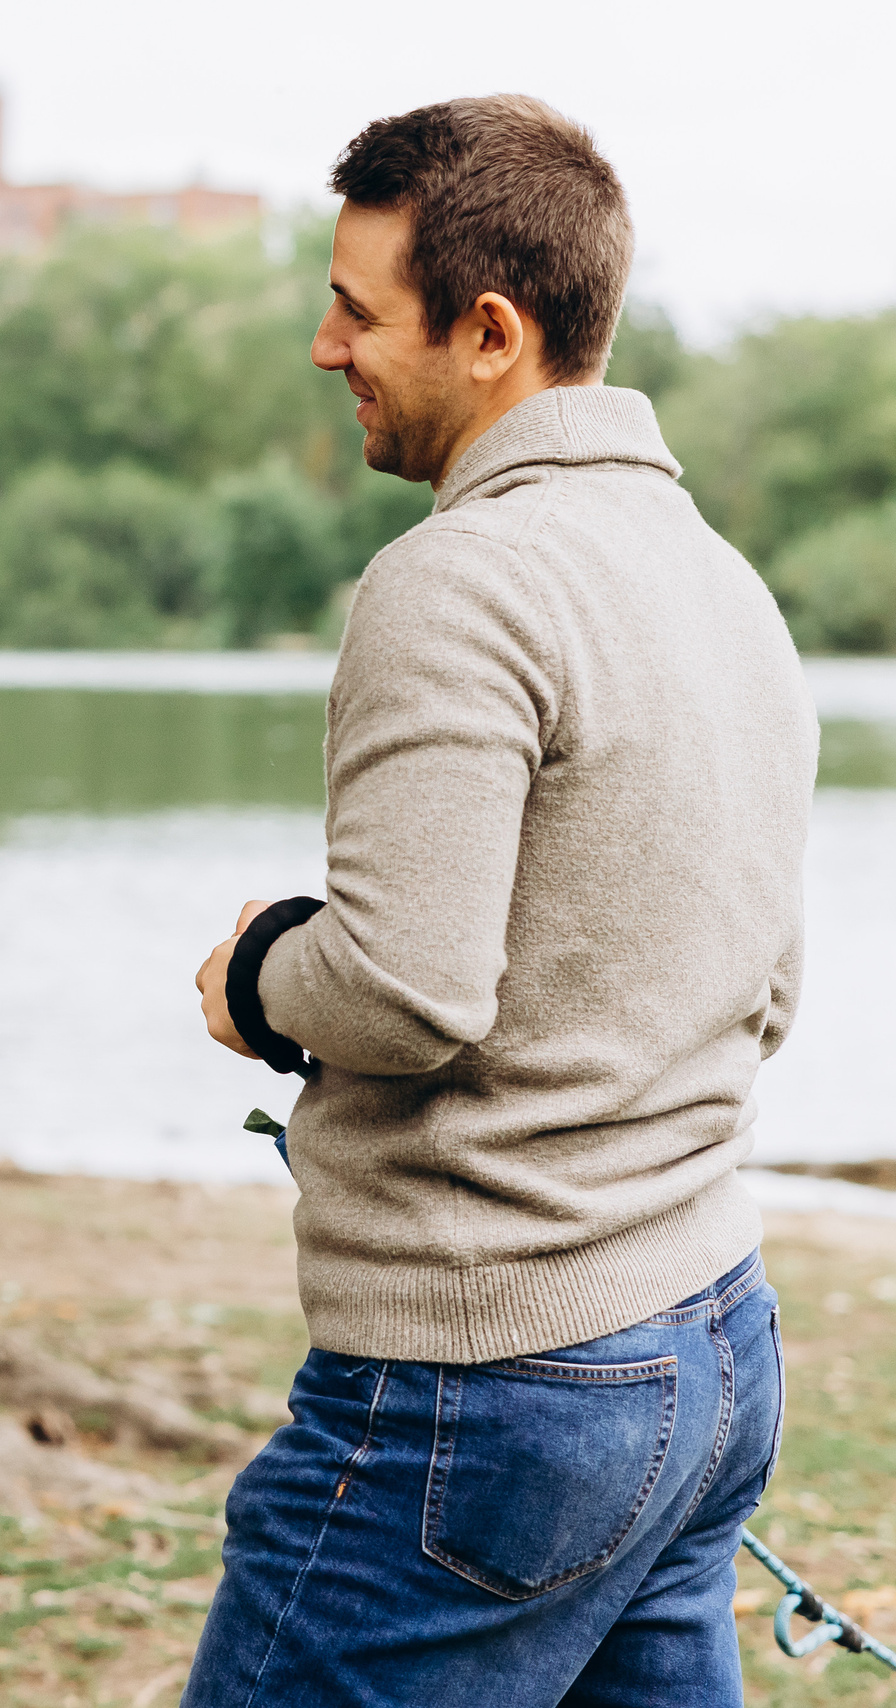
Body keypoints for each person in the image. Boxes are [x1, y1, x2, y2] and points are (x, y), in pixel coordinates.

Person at [184, 97, 812, 1706]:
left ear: (488, 332)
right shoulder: (722, 583)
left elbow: (403, 990)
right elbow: (772, 985)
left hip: (491, 1389)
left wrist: (259, 975)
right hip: (711, 1347)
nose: (326, 346)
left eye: (354, 309)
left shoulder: (459, 579)